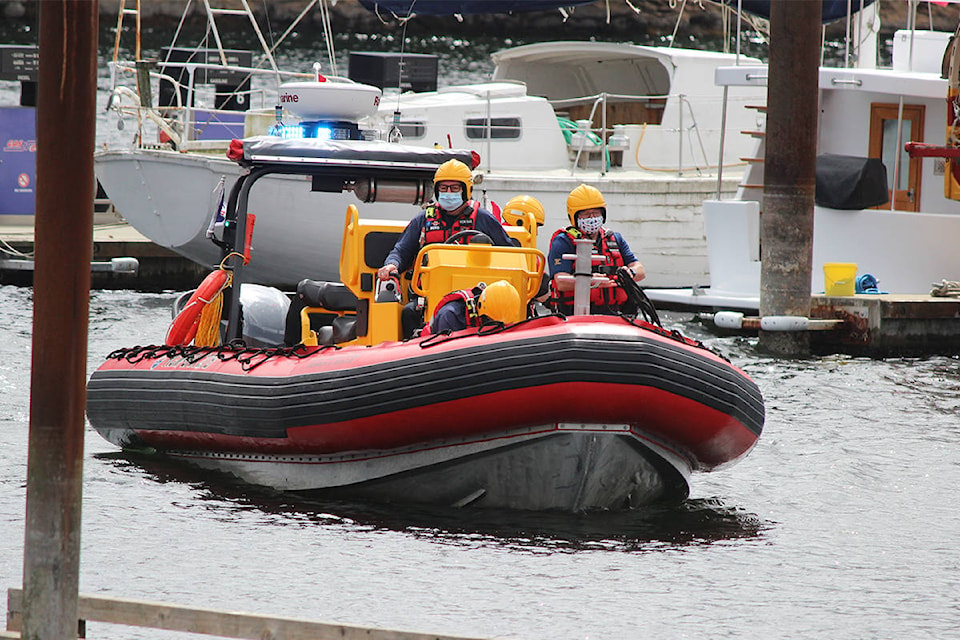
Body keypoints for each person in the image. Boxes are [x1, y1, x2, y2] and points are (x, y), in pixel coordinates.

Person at [377, 159, 514, 337]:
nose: (448, 193)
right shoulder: (424, 219)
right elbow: (402, 250)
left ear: (466, 190)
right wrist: (392, 265)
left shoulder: (483, 218)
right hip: (430, 292)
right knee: (409, 313)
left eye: (454, 188)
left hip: (477, 293)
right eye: (444, 188)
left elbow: (509, 252)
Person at [548, 183, 645, 315]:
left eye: (595, 213)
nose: (592, 218)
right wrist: (592, 282)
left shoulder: (615, 238)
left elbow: (639, 269)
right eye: (586, 215)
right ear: (574, 217)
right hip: (576, 313)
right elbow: (561, 282)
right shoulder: (563, 241)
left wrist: (630, 273)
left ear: (603, 214)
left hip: (617, 313)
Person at [424, 280, 523, 335]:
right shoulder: (450, 316)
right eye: (492, 322)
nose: (496, 328)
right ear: (480, 308)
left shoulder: (501, 310)